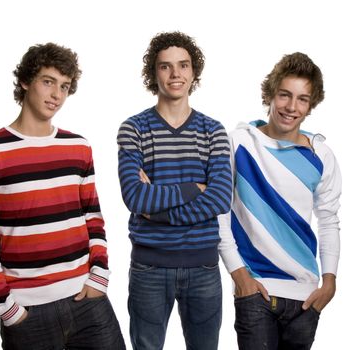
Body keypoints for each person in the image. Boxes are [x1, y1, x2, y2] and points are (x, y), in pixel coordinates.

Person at [0, 42, 125, 350]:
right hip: (27, 313)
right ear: (26, 81)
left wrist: (99, 277)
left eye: (64, 86)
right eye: (48, 81)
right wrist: (7, 309)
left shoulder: (78, 146)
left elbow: (93, 218)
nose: (56, 95)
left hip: (87, 300)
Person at [218, 52, 342, 350]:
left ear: (311, 105)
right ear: (270, 95)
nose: (291, 107)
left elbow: (329, 221)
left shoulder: (321, 155)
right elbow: (218, 214)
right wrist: (240, 276)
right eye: (285, 95)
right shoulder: (238, 142)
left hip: (306, 297)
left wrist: (330, 282)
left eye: (302, 99)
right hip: (256, 290)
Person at [117, 31, 232, 350]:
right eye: (165, 66)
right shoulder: (134, 128)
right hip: (149, 267)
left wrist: (154, 210)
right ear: (153, 74)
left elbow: (221, 198)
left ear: (194, 72)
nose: (175, 74)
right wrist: (195, 188)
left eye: (183, 65)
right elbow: (134, 197)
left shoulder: (213, 131)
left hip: (204, 265)